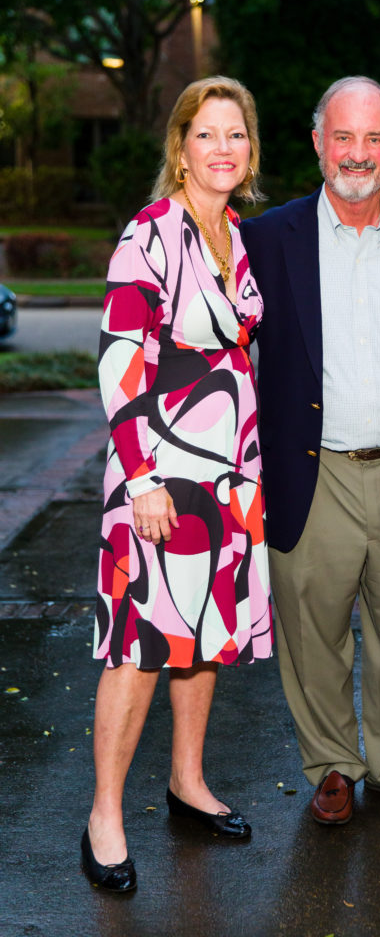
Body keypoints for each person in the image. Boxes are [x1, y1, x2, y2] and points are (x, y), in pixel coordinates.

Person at [241, 76, 380, 825]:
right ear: (316, 143)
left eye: (372, 138)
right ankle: (332, 764)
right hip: (312, 468)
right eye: (343, 137)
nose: (356, 154)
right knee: (314, 628)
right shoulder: (266, 238)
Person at [82, 76, 272, 891]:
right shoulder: (150, 235)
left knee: (204, 635)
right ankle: (104, 817)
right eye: (207, 134)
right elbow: (120, 361)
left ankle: (188, 782)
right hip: (159, 471)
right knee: (140, 645)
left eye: (236, 134)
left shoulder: (236, 232)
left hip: (229, 473)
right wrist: (142, 477)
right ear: (181, 145)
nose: (222, 148)